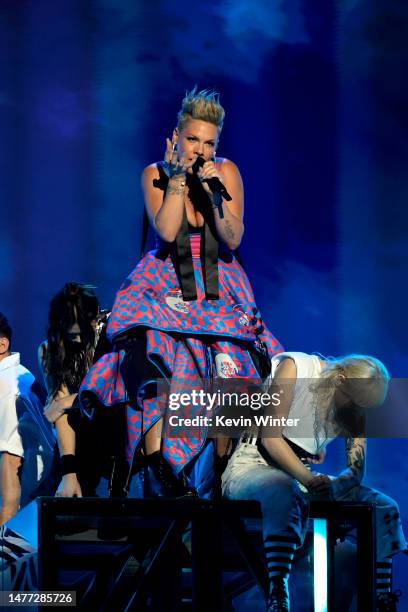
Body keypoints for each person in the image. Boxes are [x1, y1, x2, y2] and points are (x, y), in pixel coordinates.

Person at [79, 87, 283, 498]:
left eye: (209, 143)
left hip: (219, 282)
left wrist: (213, 198)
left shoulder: (225, 173)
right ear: (176, 136)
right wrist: (177, 179)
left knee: (230, 362)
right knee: (156, 352)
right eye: (193, 139)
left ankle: (225, 467)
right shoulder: (154, 172)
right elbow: (168, 231)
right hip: (164, 279)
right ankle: (159, 463)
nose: (201, 149)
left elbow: (233, 238)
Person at [222, 352, 406, 612]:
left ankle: (381, 597)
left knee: (383, 506)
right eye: (354, 402)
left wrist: (334, 485)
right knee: (281, 490)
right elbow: (271, 438)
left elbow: (356, 470)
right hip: (253, 464)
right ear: (340, 379)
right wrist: (309, 479)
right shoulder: (295, 368)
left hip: (300, 475)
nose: (356, 411)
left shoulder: (357, 401)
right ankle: (277, 591)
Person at [38, 282, 120, 498]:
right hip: (84, 430)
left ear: (94, 318)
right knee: (61, 487)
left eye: (80, 333)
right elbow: (59, 413)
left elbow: (116, 391)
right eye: (70, 333)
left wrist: (67, 402)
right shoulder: (50, 348)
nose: (76, 340)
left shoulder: (114, 331)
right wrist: (69, 473)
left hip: (118, 423)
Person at [0, 312, 56, 524]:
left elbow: (11, 474)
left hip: (24, 519)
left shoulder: (6, 385)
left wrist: (4, 549)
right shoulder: (15, 375)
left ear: (2, 344)